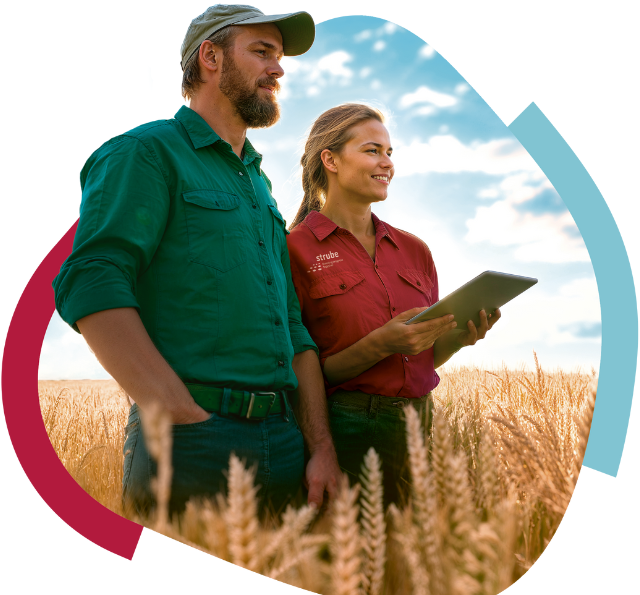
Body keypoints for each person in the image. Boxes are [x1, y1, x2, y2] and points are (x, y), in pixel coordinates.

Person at [52, 4, 342, 517]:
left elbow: (292, 326)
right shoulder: (146, 153)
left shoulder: (259, 184)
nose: (278, 68)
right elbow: (92, 279)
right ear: (210, 57)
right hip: (195, 443)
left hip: (284, 440)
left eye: (279, 57)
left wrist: (319, 445)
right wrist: (176, 412)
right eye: (262, 52)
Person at [287, 104, 500, 506]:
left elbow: (418, 357)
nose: (387, 163)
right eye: (372, 151)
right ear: (329, 160)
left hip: (419, 423)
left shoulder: (415, 250)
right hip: (346, 424)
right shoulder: (294, 249)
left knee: (406, 561)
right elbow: (304, 365)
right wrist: (381, 343)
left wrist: (458, 338)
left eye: (390, 152)